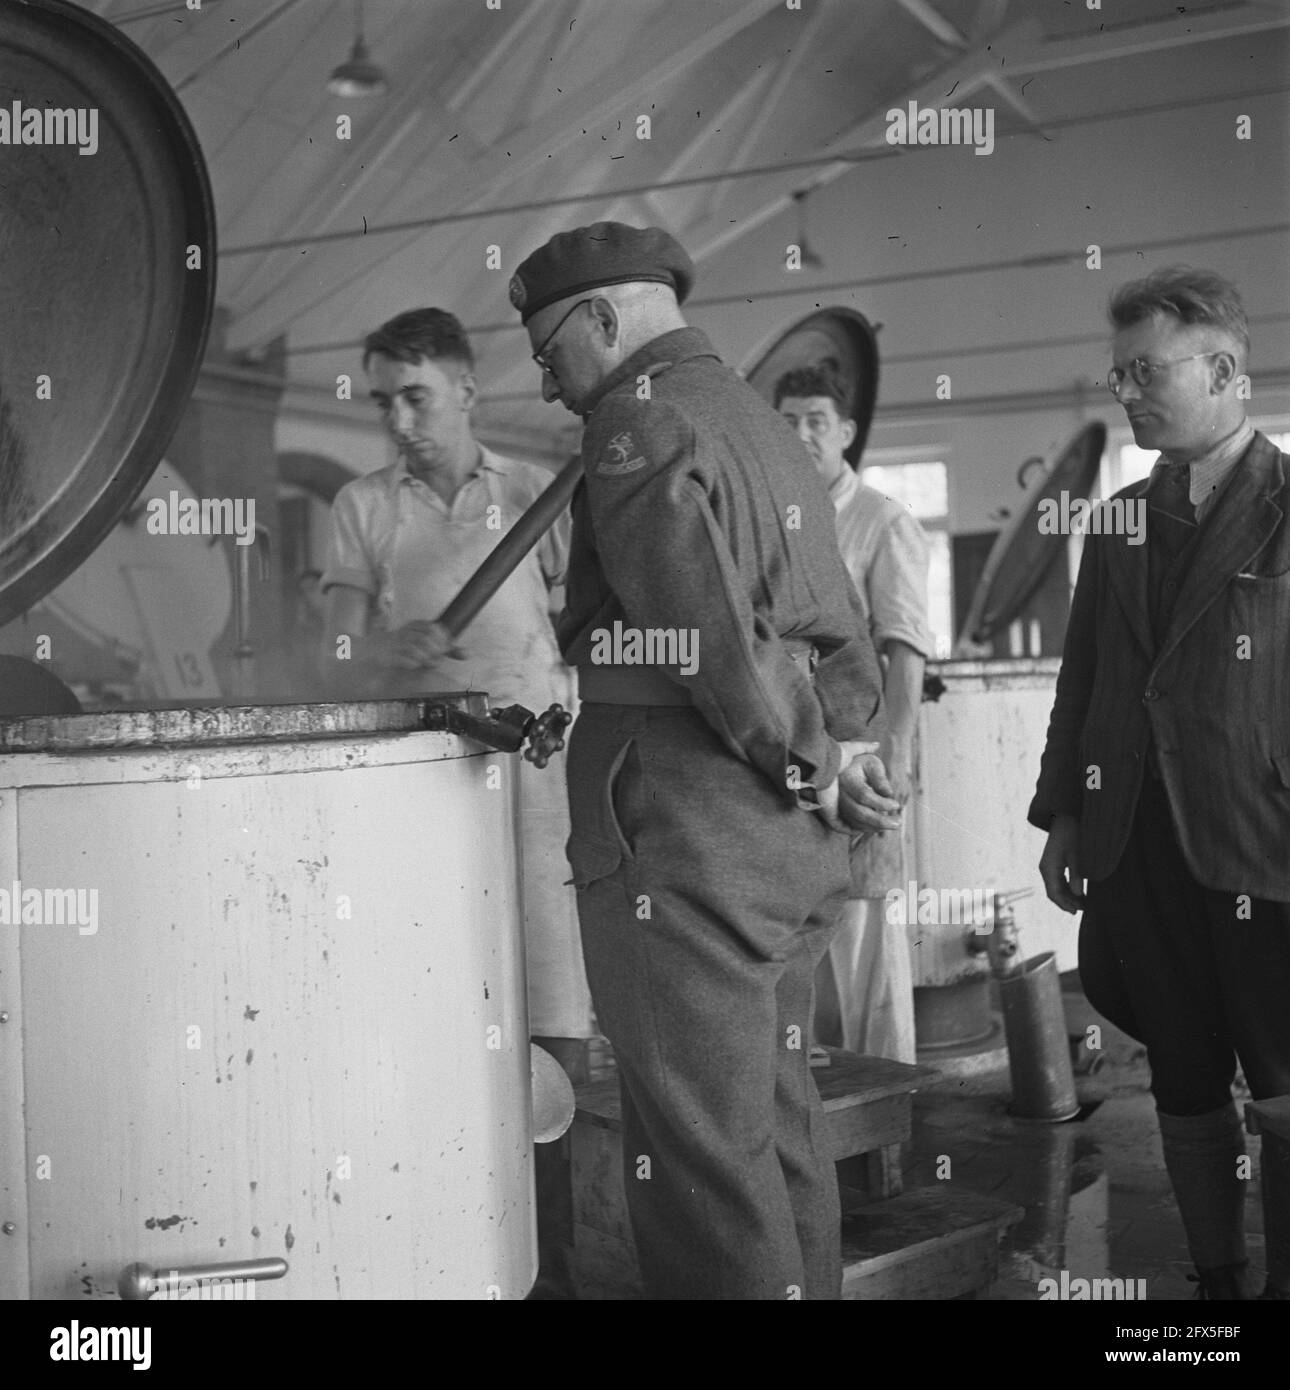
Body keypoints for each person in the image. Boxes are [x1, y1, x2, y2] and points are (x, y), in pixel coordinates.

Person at [510, 221, 902, 1300]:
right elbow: (839, 638)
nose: (551, 387)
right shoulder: (763, 422)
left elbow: (710, 639)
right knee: (774, 1130)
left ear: (603, 319)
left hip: (686, 842)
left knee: (698, 1166)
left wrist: (812, 757)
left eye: (552, 355)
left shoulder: (634, 425)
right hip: (783, 850)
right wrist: (838, 758)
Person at [318, 308, 595, 1292]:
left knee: (550, 1023)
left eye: (416, 396)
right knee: (435, 1022)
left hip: (533, 790)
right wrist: (374, 655)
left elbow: (587, 628)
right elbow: (335, 652)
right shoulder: (360, 508)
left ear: (469, 391)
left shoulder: (534, 496)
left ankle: (546, 1271)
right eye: (382, 399)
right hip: (420, 804)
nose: (397, 418)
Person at [1030, 266, 1290, 1301]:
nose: (1126, 391)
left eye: (1147, 370)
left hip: (1261, 838)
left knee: (1283, 1084)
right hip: (1136, 838)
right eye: (1118, 372)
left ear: (1224, 369)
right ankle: (1216, 1282)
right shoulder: (1121, 521)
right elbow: (1084, 678)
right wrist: (1062, 815)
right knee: (1180, 1077)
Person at [775, 367, 932, 1063]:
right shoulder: (775, 516)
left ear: (846, 431)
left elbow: (905, 649)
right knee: (800, 934)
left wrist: (894, 758)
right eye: (787, 421)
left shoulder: (882, 520)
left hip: (863, 755)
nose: (801, 434)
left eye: (815, 419)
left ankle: (887, 1109)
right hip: (792, 754)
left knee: (865, 941)